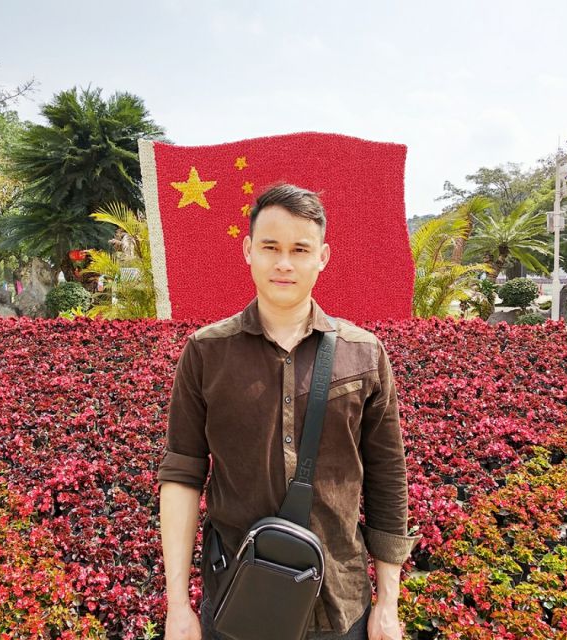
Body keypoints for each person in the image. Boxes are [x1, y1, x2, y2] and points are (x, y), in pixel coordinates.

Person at [158, 184, 420, 640]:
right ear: (248, 250)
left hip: (339, 606)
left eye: (299, 249)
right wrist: (178, 606)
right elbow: (182, 474)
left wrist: (388, 604)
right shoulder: (206, 353)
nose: (284, 263)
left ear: (322, 257)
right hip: (236, 601)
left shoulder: (363, 354)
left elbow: (387, 475)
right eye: (270, 247)